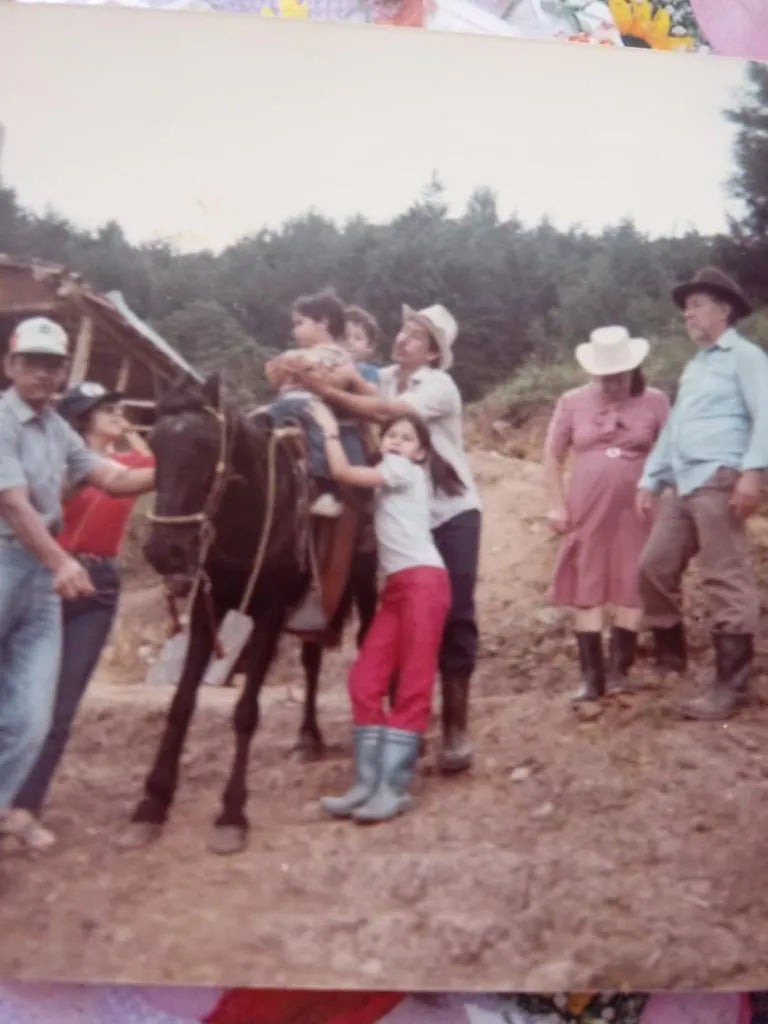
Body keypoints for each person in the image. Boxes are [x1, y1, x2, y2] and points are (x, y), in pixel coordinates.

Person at [294, 303, 481, 775]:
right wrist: (313, 366)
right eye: (403, 330)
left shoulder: (438, 386)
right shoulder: (383, 376)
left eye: (416, 336)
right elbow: (355, 381)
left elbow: (382, 410)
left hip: (449, 512)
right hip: (403, 515)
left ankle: (455, 727)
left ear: (433, 353)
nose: (403, 338)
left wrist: (321, 390)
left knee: (456, 613)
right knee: (399, 613)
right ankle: (404, 726)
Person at [0, 318, 155, 848]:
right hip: (10, 561)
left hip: (42, 576)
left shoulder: (57, 431)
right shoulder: (2, 420)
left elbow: (114, 478)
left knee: (35, 713)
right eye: (32, 362)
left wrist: (187, 464)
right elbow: (13, 503)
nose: (43, 373)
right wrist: (61, 562)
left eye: (53, 364)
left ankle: (8, 808)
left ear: (64, 370)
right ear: (10, 365)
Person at [309, 401, 464, 822]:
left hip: (423, 584)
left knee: (413, 682)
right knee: (365, 681)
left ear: (420, 452)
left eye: (406, 438)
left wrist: (328, 428)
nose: (396, 442)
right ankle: (367, 783)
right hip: (398, 589)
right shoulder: (391, 479)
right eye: (391, 435)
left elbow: (343, 472)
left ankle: (392, 789)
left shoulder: (402, 470)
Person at [637, 266, 768, 720]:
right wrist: (651, 478)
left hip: (720, 477)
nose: (687, 314)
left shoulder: (744, 357)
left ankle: (731, 687)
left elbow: (766, 413)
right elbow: (675, 428)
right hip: (684, 482)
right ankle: (671, 660)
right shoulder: (695, 367)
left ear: (724, 309)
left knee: (724, 575)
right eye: (686, 307)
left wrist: (753, 473)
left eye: (697, 305)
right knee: (653, 567)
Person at [543, 326, 670, 701]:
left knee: (633, 577)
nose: (611, 383)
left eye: (619, 376)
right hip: (587, 504)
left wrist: (664, 492)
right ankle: (591, 678)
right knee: (588, 576)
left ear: (633, 370)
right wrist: (556, 503)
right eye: (604, 377)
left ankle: (619, 670)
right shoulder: (572, 401)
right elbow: (552, 455)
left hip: (639, 506)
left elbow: (670, 450)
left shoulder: (656, 401)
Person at [264, 289, 375, 517]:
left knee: (320, 427)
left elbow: (328, 379)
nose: (294, 330)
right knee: (261, 419)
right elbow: (272, 373)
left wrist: (299, 370)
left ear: (323, 322)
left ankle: (326, 485)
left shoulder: (336, 354)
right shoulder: (302, 353)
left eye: (299, 323)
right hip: (288, 401)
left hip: (311, 403)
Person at [343, 305, 382, 387]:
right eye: (345, 336)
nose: (350, 342)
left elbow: (370, 392)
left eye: (358, 338)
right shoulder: (329, 366)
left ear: (370, 346)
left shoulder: (369, 372)